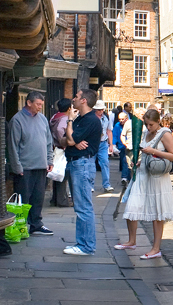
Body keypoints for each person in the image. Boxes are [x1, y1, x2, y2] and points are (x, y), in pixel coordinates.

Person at [116, 108, 173, 260]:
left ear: (158, 122)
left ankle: (156, 248)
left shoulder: (165, 134)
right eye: (146, 124)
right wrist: (139, 161)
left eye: (151, 125)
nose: (148, 127)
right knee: (132, 205)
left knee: (158, 213)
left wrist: (153, 152)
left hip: (157, 178)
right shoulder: (145, 133)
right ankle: (132, 241)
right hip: (143, 173)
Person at [6, 91, 55, 236]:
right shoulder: (17, 120)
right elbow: (13, 146)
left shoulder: (42, 119)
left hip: (41, 166)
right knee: (23, 198)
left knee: (38, 197)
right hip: (25, 167)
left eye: (41, 105)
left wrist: (49, 160)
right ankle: (20, 226)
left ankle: (36, 224)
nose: (40, 107)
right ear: (29, 103)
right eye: (38, 104)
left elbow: (48, 142)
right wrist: (16, 166)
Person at [64, 89, 102, 255]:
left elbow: (70, 139)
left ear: (84, 101)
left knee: (83, 207)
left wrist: (70, 121)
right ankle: (83, 243)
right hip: (77, 164)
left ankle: (86, 246)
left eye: (77, 97)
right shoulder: (82, 118)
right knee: (80, 206)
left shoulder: (90, 120)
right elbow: (63, 140)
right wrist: (71, 141)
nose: (74, 99)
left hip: (82, 164)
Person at [49, 97, 73, 208]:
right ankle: (62, 200)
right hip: (61, 149)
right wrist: (64, 141)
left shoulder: (55, 116)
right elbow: (60, 129)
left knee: (56, 174)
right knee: (63, 175)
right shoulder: (64, 118)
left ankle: (55, 198)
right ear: (69, 108)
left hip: (54, 148)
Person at [93, 100, 114, 194]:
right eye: (99, 110)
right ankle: (90, 185)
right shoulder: (92, 118)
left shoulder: (106, 118)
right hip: (93, 143)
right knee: (91, 165)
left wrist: (111, 145)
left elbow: (109, 131)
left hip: (103, 143)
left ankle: (107, 185)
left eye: (102, 109)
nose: (101, 111)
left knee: (105, 163)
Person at [114, 111, 133, 189]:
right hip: (122, 146)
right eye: (119, 119)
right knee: (124, 161)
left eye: (122, 119)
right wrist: (114, 145)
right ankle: (125, 178)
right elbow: (115, 135)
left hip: (129, 146)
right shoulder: (117, 125)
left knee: (128, 162)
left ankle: (126, 178)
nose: (121, 121)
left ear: (126, 118)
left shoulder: (130, 124)